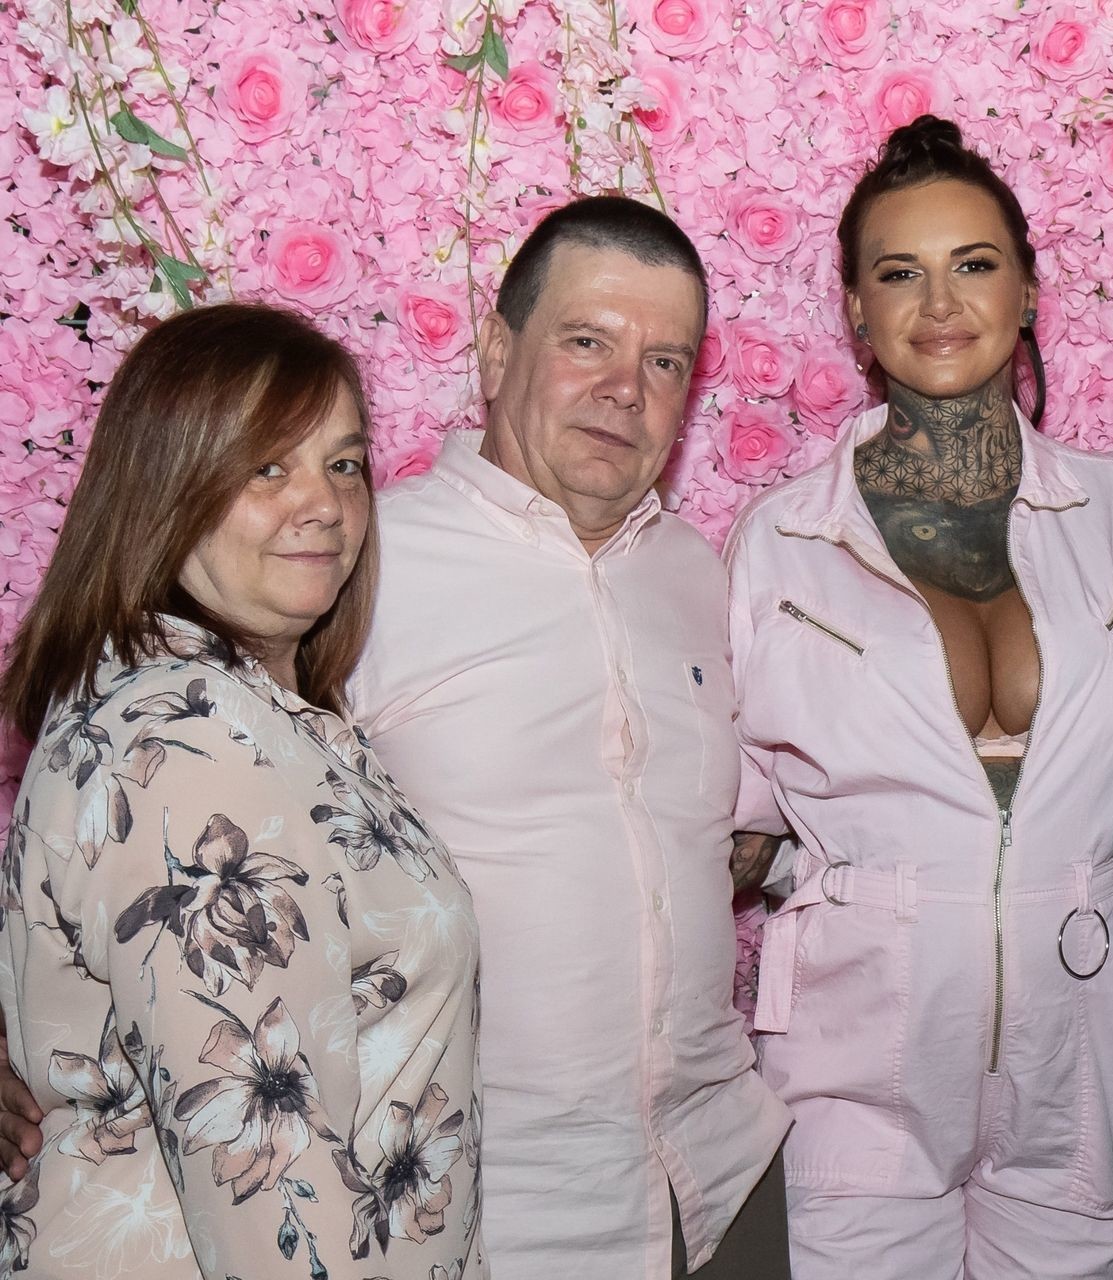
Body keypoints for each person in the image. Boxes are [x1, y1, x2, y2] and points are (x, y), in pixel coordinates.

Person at [724, 115, 1113, 1278]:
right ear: (855, 309)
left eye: (974, 263)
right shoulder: (781, 540)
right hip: (855, 1058)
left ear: (1029, 290)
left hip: (1088, 1055)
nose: (939, 302)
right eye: (900, 272)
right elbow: (732, 823)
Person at [342, 197, 790, 1278]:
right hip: (492, 1208)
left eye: (665, 361)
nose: (625, 388)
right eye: (587, 341)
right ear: (498, 351)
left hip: (721, 1179)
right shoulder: (361, 564)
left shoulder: (696, 572)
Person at [0, 304, 483, 1277]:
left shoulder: (246, 715)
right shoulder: (188, 743)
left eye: (343, 464)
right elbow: (268, 1177)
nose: (324, 503)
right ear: (165, 483)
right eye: (267, 466)